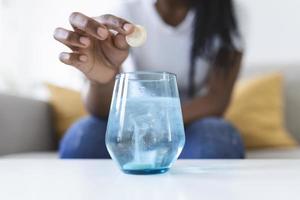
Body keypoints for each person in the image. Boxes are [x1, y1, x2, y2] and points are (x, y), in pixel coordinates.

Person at [54, 0, 245, 159]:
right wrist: (101, 80)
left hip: (192, 120)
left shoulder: (228, 15)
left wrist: (155, 124)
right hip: (134, 119)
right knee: (83, 138)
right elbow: (102, 111)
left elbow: (216, 100)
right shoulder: (127, 10)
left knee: (213, 139)